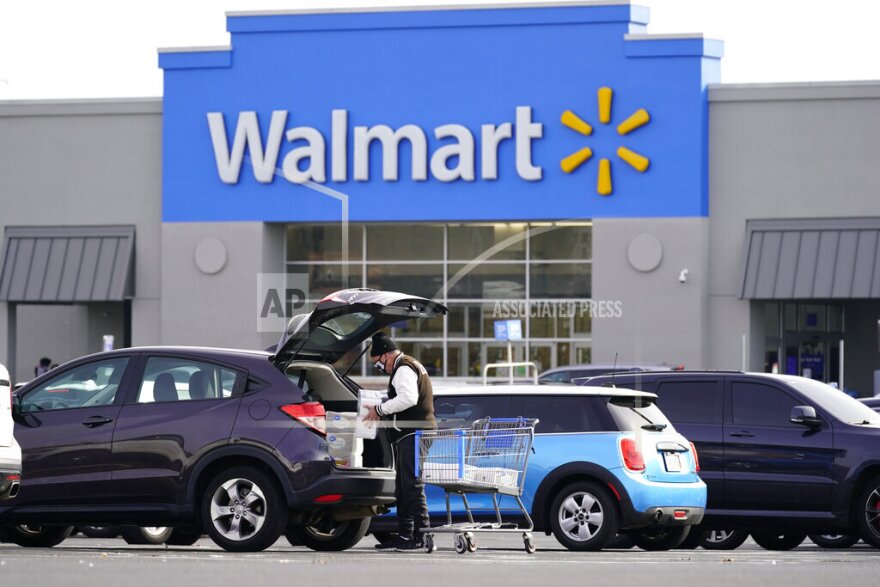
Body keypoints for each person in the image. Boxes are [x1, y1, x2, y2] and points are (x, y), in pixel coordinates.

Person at [363, 332, 436, 552]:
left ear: (385, 355)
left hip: (415, 432)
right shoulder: (408, 365)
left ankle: (422, 535)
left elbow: (408, 398)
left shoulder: (403, 368)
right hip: (410, 433)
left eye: (377, 364)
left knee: (412, 485)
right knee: (403, 487)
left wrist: (379, 409)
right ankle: (405, 535)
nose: (379, 368)